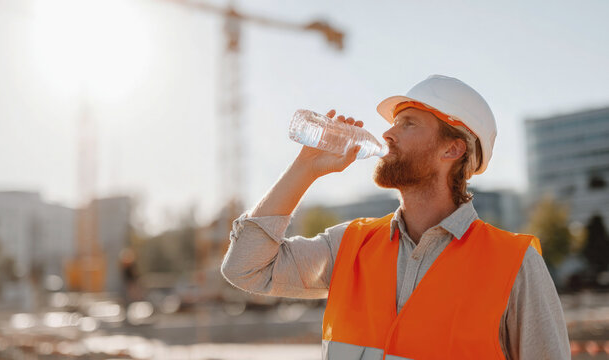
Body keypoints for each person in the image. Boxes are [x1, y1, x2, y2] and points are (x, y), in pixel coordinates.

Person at [220, 75, 570, 359]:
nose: (387, 134)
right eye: (393, 124)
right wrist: (305, 168)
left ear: (453, 148)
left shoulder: (514, 264)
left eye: (408, 124)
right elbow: (245, 268)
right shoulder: (350, 246)